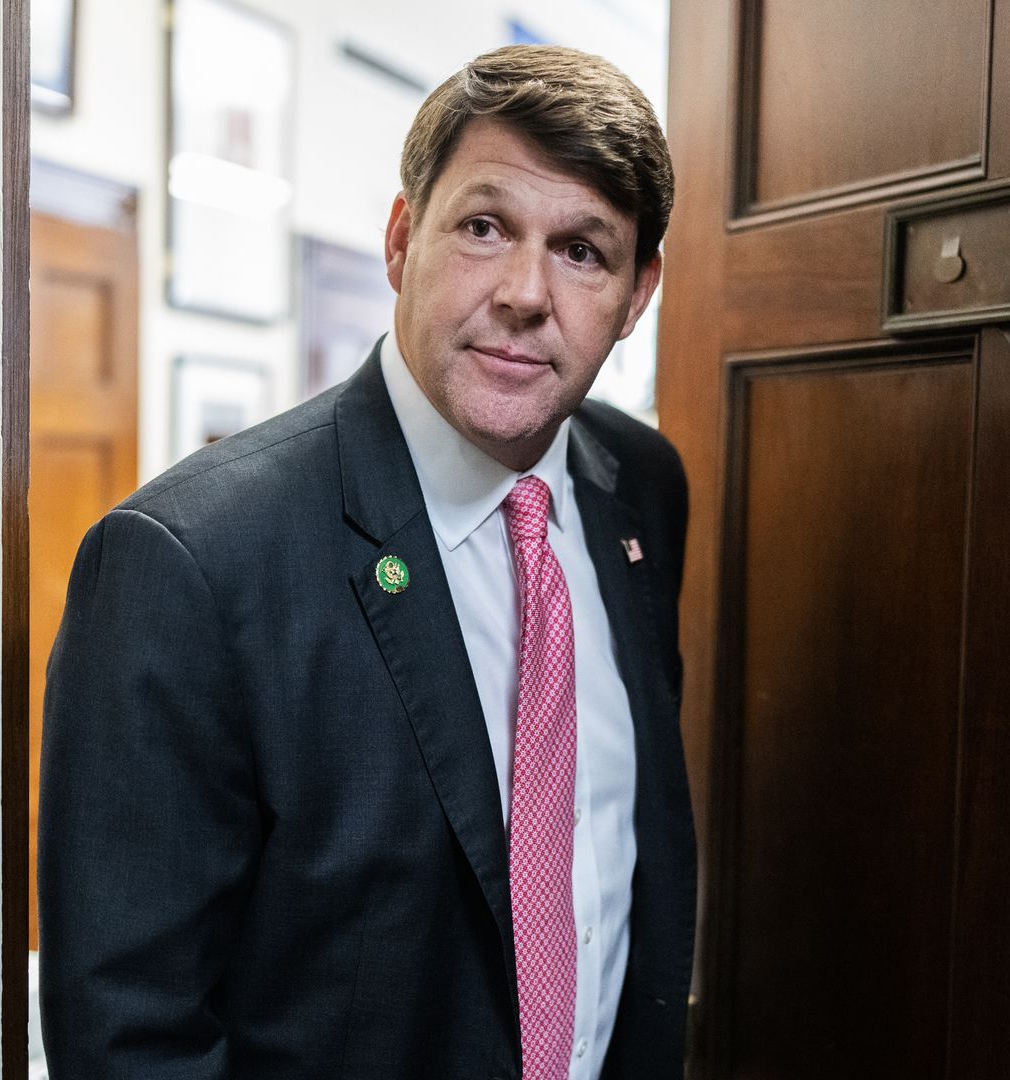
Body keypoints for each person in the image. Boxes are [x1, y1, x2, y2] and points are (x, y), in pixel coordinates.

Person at [37, 44, 694, 1080]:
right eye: (484, 228)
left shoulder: (641, 486)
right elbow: (131, 1032)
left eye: (583, 251)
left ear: (637, 290)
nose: (527, 292)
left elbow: (621, 858)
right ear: (401, 241)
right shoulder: (189, 565)